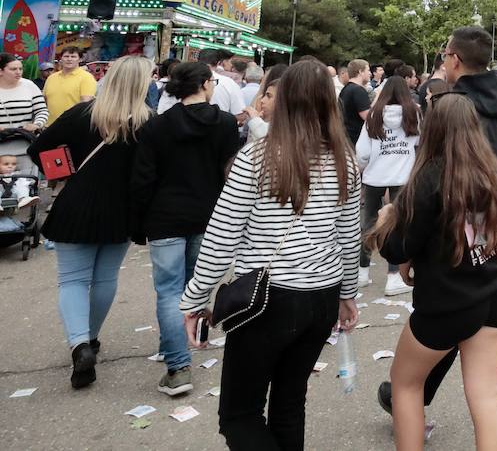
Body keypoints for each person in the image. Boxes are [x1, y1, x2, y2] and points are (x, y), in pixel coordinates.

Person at [376, 27, 497, 451]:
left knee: (412, 378)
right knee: (484, 382)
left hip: (451, 277)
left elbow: (402, 240)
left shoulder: (434, 173)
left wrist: (395, 228)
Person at [181, 61, 361, 450]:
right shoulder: (344, 159)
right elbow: (348, 237)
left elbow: (222, 236)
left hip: (267, 299)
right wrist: (347, 293)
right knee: (289, 406)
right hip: (322, 295)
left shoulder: (256, 158)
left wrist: (195, 298)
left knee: (239, 416)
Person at [370, 93, 497, 451]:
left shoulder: (429, 177)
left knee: (405, 383)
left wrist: (386, 220)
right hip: (496, 293)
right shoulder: (495, 172)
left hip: (449, 301)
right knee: (485, 395)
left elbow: (398, 248)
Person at [30, 55, 150, 389]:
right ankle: (92, 339)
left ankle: (80, 343)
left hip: (76, 206)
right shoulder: (148, 124)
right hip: (122, 212)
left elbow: (39, 147)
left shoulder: (81, 114)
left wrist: (64, 172)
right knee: (106, 278)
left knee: (71, 280)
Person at [129, 61, 240, 397]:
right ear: (206, 84)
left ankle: (178, 366)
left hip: (164, 217)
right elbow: (231, 172)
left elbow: (143, 178)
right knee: (198, 283)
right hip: (208, 215)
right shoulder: (224, 123)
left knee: (168, 289)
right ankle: (196, 337)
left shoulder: (157, 126)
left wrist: (137, 223)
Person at [356, 76, 421, 295]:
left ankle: (362, 272)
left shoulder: (374, 116)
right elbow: (419, 143)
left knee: (369, 224)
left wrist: (363, 166)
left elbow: (362, 152)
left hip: (374, 176)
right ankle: (394, 275)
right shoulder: (414, 114)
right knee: (398, 225)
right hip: (402, 176)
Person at [0, 52, 48, 175]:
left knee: (27, 185)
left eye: (20, 68)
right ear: (1, 71)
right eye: (13, 69)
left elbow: (42, 110)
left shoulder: (29, 85)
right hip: (1, 146)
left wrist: (36, 124)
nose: (18, 72)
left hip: (25, 145)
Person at [43, 46, 97, 125]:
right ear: (61, 59)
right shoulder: (51, 78)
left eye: (73, 57)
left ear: (80, 59)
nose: (69, 59)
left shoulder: (86, 78)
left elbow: (85, 106)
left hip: (72, 127)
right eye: (66, 56)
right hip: (49, 126)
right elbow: (44, 102)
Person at [199, 49, 248, 125]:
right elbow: (240, 115)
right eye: (230, 61)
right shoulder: (229, 83)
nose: (231, 65)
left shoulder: (187, 79)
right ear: (219, 63)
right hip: (219, 130)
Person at [339, 59, 372, 145]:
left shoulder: (345, 89)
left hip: (346, 137)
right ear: (360, 71)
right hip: (357, 139)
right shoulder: (358, 90)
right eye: (368, 70)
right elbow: (367, 117)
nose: (370, 73)